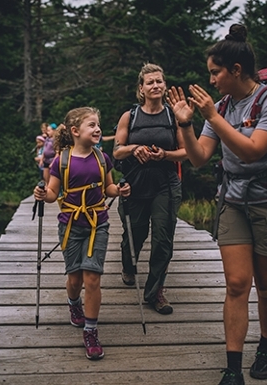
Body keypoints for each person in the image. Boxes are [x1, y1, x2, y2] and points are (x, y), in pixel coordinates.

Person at [167, 24, 267, 385]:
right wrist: (187, 125)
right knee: (237, 284)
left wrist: (212, 117)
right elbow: (199, 158)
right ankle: (233, 367)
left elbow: (253, 150)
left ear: (235, 71)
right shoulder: (222, 106)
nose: (211, 80)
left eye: (215, 72)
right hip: (234, 202)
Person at [33, 107, 131, 360]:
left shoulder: (102, 158)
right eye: (92, 125)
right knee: (75, 279)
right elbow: (54, 194)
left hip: (98, 222)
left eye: (98, 124)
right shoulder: (61, 161)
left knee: (92, 277)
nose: (97, 129)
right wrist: (44, 195)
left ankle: (91, 330)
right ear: (75, 131)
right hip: (71, 225)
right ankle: (73, 303)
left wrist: (118, 191)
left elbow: (108, 187)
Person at [113, 63, 187, 315]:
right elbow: (117, 150)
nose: (155, 85)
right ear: (141, 89)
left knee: (163, 240)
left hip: (165, 185)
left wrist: (165, 154)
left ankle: (155, 292)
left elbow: (187, 151)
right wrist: (134, 149)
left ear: (164, 86)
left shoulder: (173, 116)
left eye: (159, 81)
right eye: (150, 82)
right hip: (134, 185)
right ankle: (128, 267)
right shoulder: (130, 116)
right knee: (134, 234)